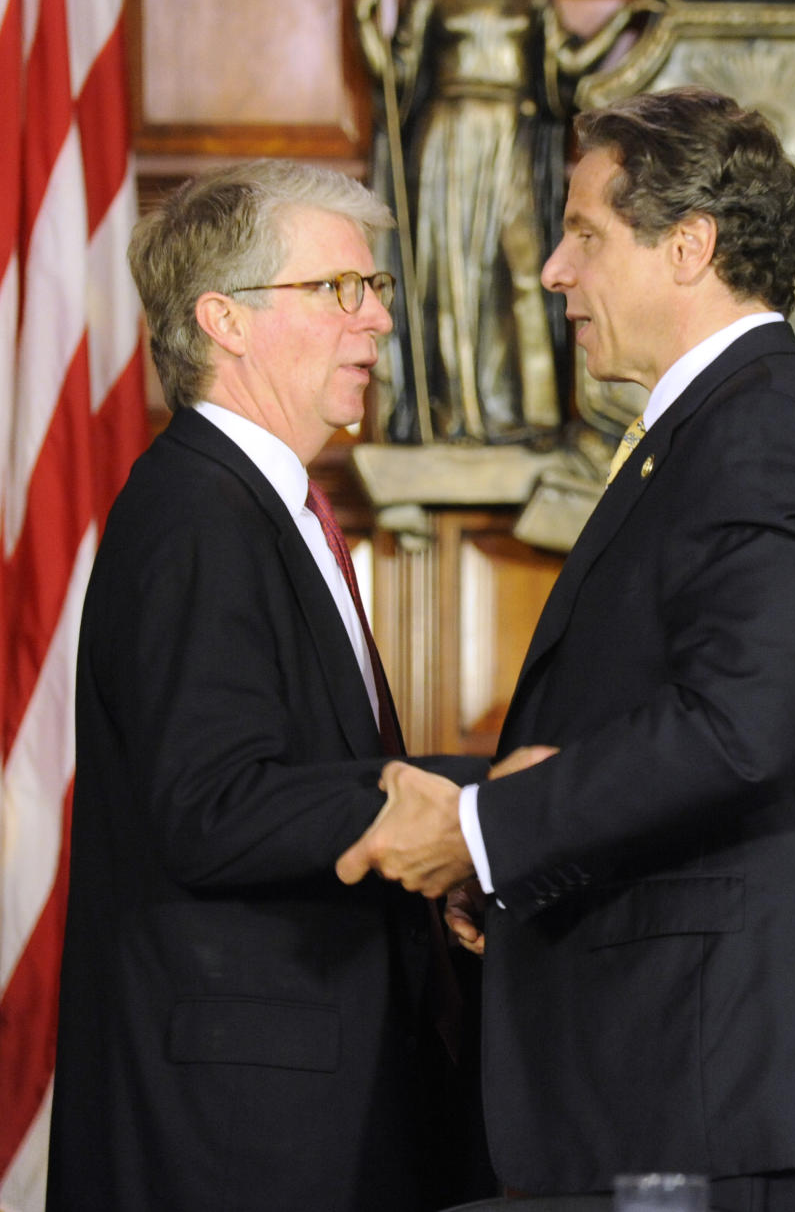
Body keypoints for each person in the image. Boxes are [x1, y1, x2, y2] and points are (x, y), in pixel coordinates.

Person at [336, 86, 795, 1208]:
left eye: (587, 235)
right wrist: (521, 846)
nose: (554, 270)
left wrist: (482, 828)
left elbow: (735, 726)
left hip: (723, 1080)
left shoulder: (767, 429)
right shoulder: (712, 429)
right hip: (674, 1073)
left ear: (689, 246)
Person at [46, 160, 490, 1212]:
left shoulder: (257, 504)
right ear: (223, 319)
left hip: (311, 1105)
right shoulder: (197, 513)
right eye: (340, 289)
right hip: (240, 1132)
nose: (378, 318)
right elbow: (215, 805)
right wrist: (468, 802)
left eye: (374, 289)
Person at [355, 0, 640, 443]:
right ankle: (454, 413)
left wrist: (628, 21)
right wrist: (364, 19)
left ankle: (533, 412)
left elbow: (566, 66)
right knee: (451, 278)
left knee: (524, 270)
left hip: (512, 139)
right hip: (448, 140)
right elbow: (395, 74)